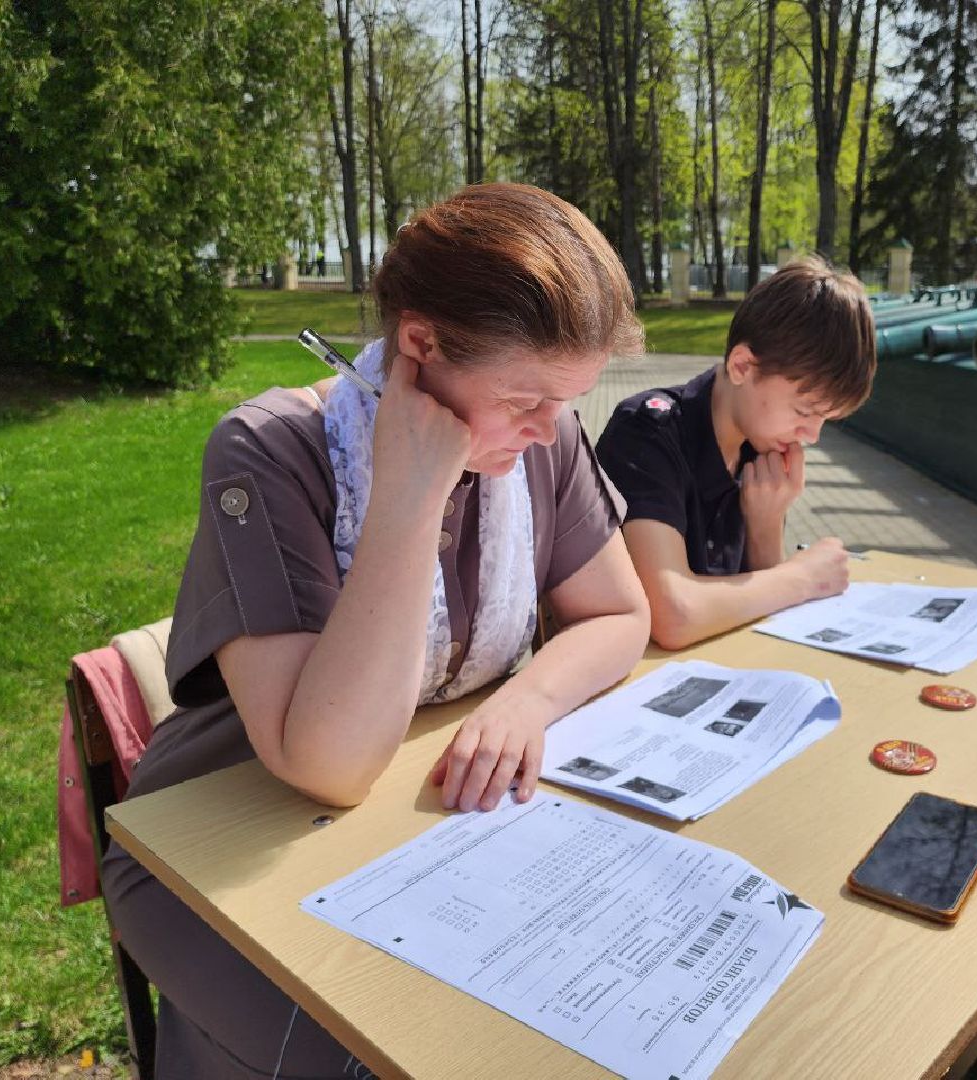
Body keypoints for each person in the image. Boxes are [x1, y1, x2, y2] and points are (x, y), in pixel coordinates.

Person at [101, 183, 652, 1077]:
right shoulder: (270, 451)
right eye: (527, 399)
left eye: (572, 398)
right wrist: (408, 497)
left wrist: (527, 702)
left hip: (421, 834)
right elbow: (331, 764)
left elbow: (624, 614)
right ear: (420, 347)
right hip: (219, 853)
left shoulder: (538, 438)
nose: (551, 431)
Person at [594, 255, 876, 649]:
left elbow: (766, 604)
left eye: (826, 419)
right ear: (743, 366)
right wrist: (804, 576)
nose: (811, 435)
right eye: (804, 411)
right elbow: (672, 615)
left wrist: (765, 522)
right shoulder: (646, 432)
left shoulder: (758, 447)